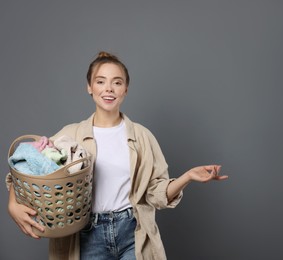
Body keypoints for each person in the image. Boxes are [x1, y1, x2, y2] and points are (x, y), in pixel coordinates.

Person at [6, 51, 228, 260]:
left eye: (117, 82)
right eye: (100, 81)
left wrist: (187, 176)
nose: (108, 89)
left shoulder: (143, 137)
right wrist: (12, 203)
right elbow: (26, 166)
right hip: (86, 235)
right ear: (89, 87)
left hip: (133, 231)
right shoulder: (69, 136)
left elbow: (155, 193)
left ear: (126, 89)